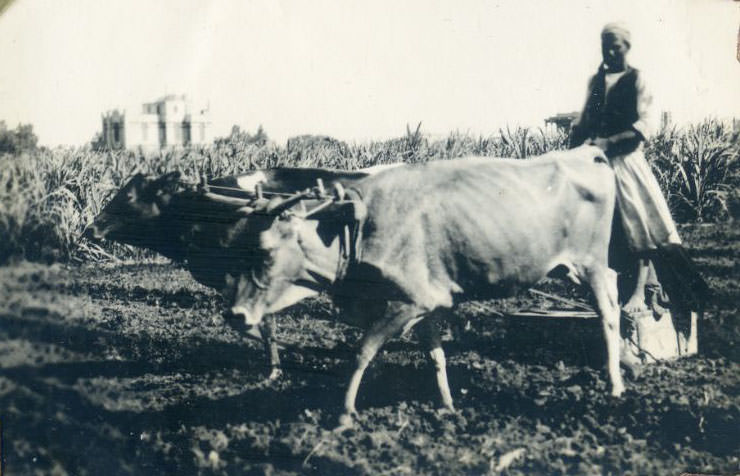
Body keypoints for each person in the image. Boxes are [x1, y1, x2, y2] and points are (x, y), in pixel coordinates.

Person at [570, 22, 707, 314]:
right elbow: (582, 122)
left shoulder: (637, 80)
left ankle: (641, 294)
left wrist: (610, 142)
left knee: (638, 226)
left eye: (615, 45)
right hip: (596, 163)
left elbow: (644, 125)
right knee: (602, 229)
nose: (609, 50)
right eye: (605, 44)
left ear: (626, 47)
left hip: (625, 163)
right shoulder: (595, 82)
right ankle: (611, 293)